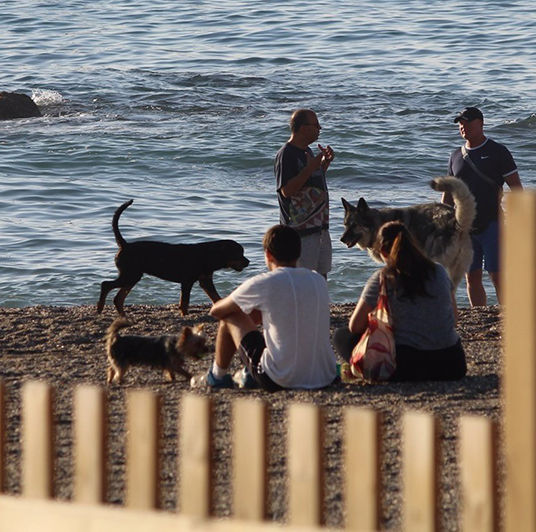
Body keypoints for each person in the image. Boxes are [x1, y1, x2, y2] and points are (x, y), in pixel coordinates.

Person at [198, 225, 336, 391]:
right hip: (324, 376)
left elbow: (217, 311)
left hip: (280, 379)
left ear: (268, 254)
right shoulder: (317, 280)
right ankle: (247, 374)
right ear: (298, 253)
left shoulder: (264, 282)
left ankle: (217, 376)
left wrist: (245, 307)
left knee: (231, 316)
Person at [333, 221, 466, 381]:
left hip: (406, 367)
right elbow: (454, 320)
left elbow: (355, 326)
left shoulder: (383, 277)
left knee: (342, 336)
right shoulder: (438, 271)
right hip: (452, 363)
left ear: (382, 251)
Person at [441, 107, 522, 306]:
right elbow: (449, 192)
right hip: (465, 228)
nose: (463, 126)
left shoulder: (497, 151)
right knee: (472, 276)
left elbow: (516, 188)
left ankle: (507, 312)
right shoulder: (455, 156)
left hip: (493, 223)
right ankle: (480, 313)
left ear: (480, 124)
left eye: (466, 122)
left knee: (498, 275)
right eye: (460, 123)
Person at [274, 109, 335, 276]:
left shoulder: (307, 151)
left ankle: (320, 302)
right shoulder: (287, 154)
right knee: (302, 278)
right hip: (299, 231)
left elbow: (310, 182)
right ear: (304, 128)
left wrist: (323, 164)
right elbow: (287, 191)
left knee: (321, 275)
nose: (320, 128)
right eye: (316, 125)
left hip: (319, 226)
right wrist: (311, 167)